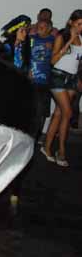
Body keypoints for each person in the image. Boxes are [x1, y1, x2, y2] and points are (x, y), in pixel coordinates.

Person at [42, 9, 82, 167]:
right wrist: (69, 41)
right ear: (71, 22)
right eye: (79, 24)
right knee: (68, 112)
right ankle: (62, 150)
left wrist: (79, 78)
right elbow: (52, 61)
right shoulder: (61, 36)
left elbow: (79, 62)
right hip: (58, 77)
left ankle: (46, 147)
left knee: (59, 114)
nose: (81, 27)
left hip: (71, 79)